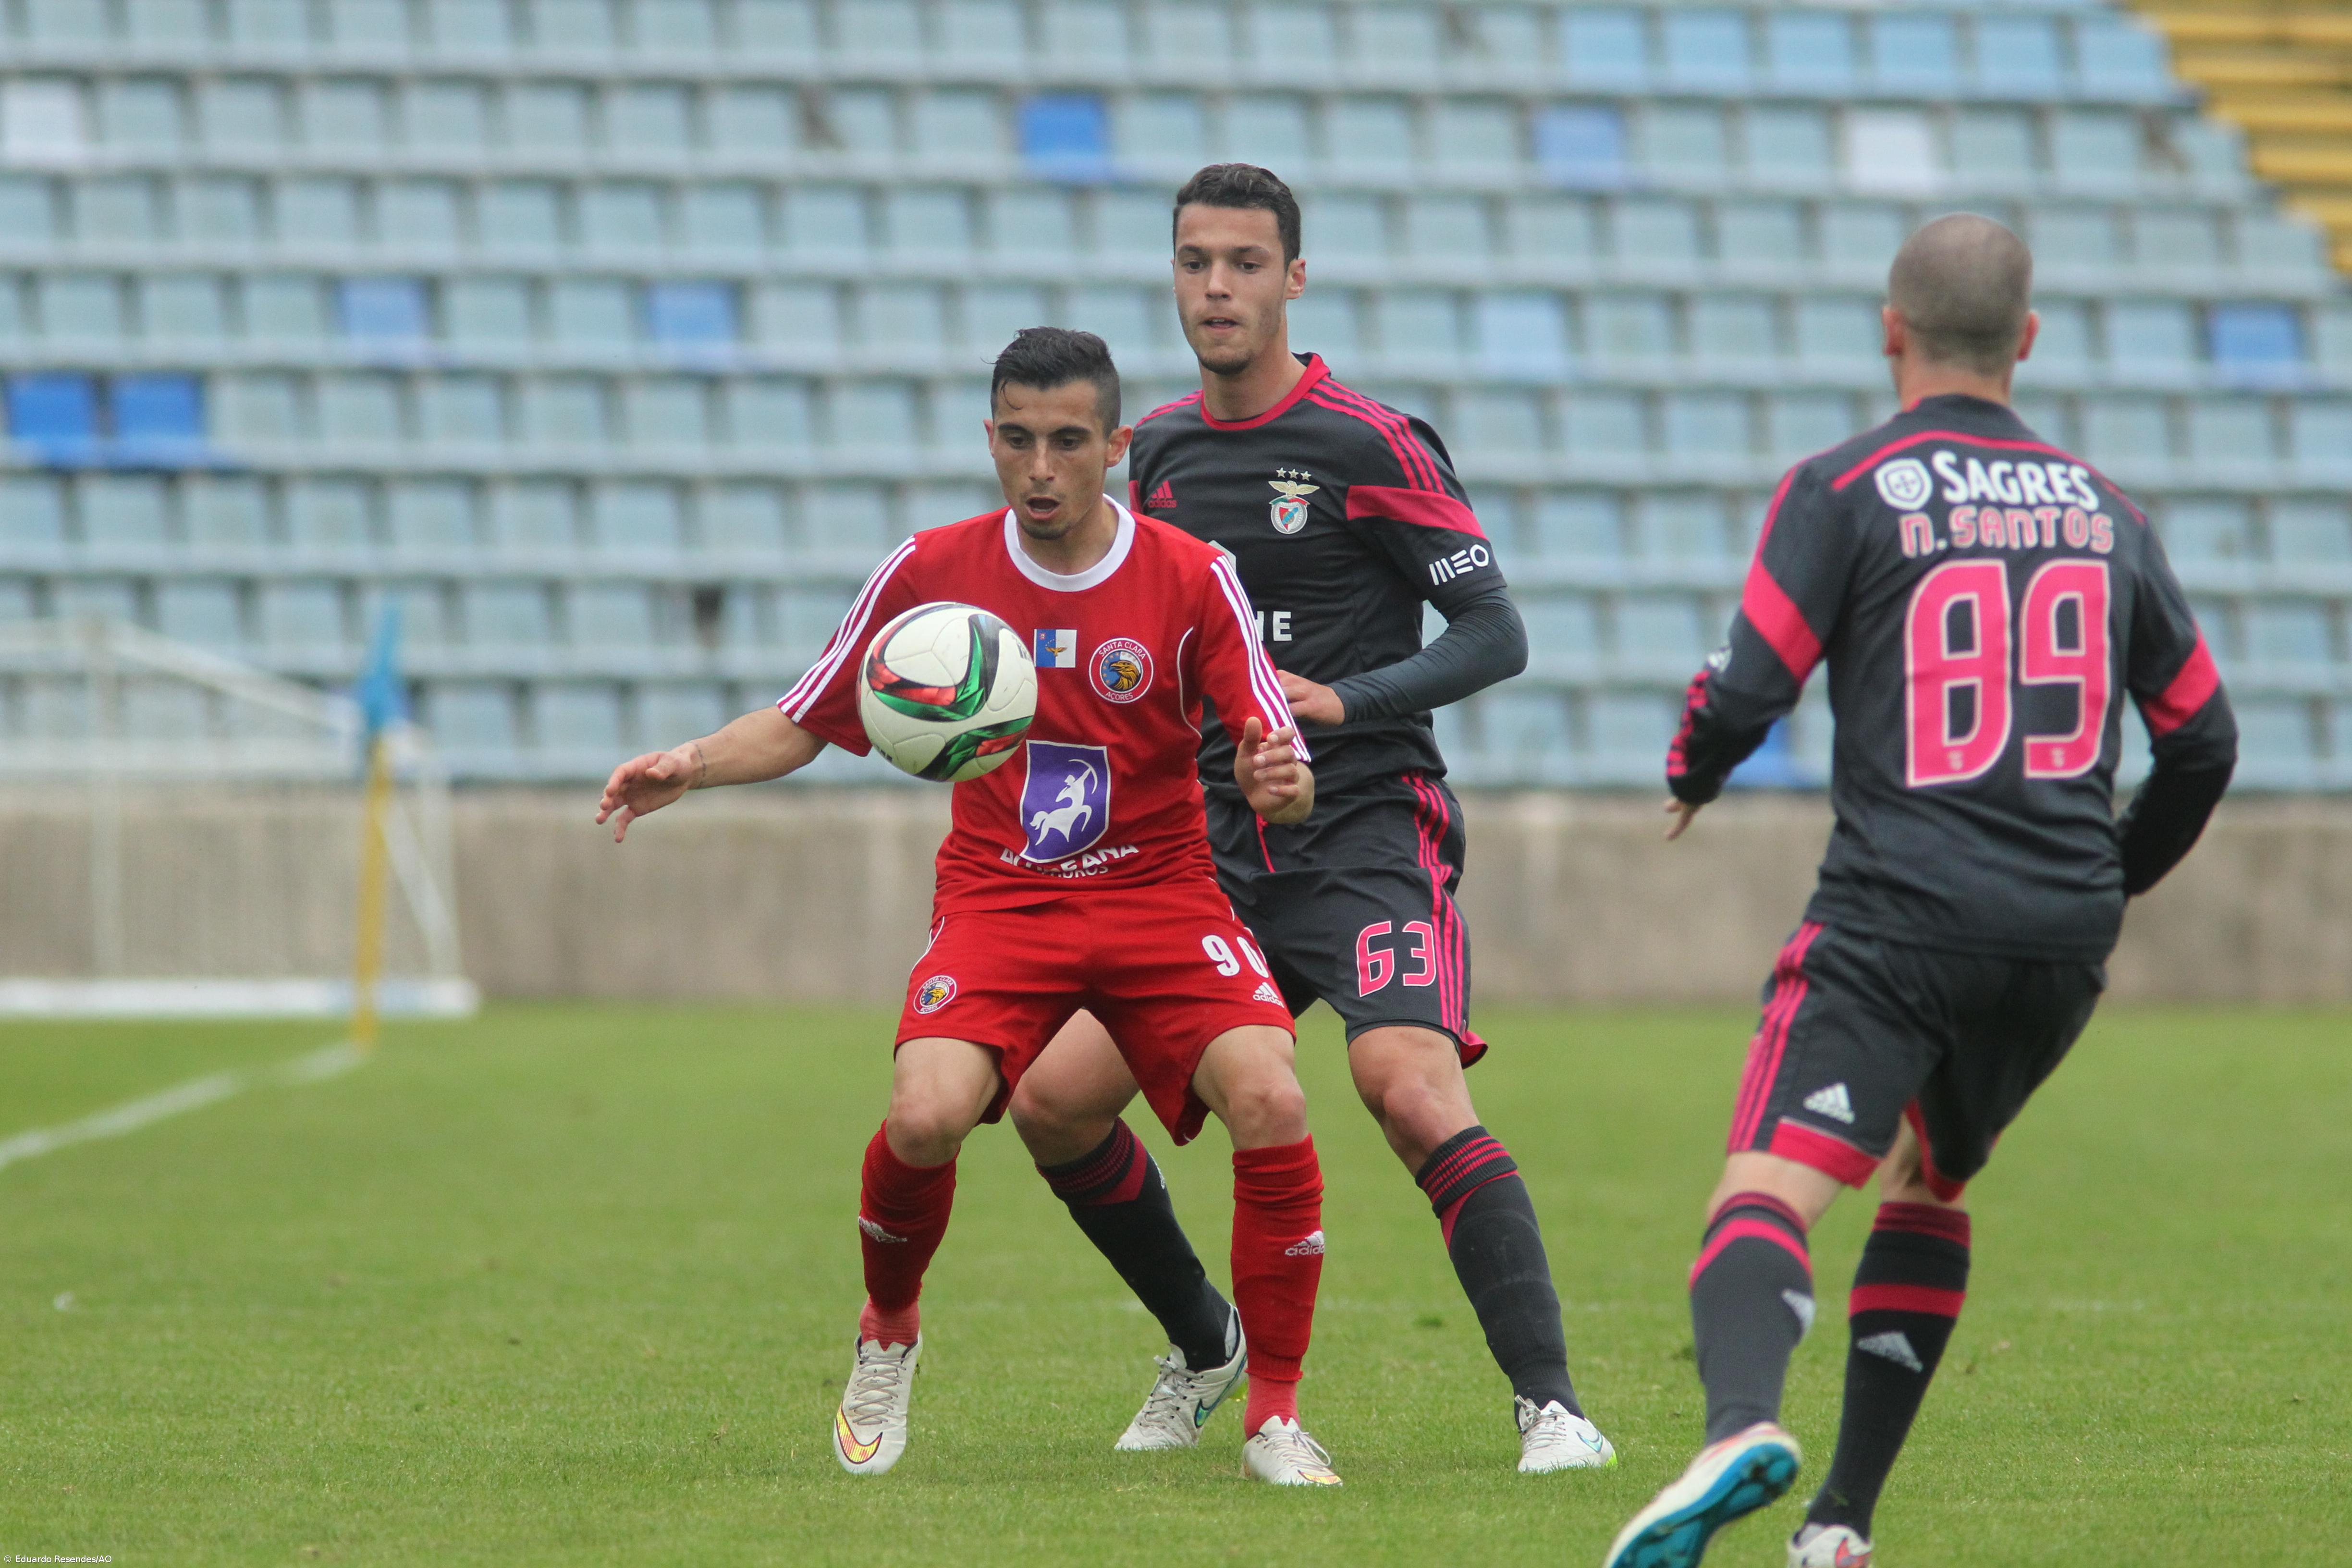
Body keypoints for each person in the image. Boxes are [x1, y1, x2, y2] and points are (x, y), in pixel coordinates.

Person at [596, 328, 1349, 1487]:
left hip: (1162, 892)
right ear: (989, 439)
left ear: (1116, 447)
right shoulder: (930, 572)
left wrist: (1279, 783)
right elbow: (810, 716)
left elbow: (1276, 757)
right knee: (924, 1119)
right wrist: (690, 764)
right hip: (1004, 897)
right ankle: (888, 1335)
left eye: (1065, 442)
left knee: (1271, 1092)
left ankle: (1276, 1416)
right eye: (1015, 439)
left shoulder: (1194, 575)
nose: (1039, 467)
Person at [1603, 214, 2237, 1568]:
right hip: (2058, 938)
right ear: (2029, 338)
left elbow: (1757, 685)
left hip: (1898, 918)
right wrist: (2102, 889)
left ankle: (1736, 1429)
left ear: (1890, 330)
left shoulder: (1847, 487)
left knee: (1763, 1196)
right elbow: (2205, 740)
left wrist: (1695, 769)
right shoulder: (2109, 510)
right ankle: (1839, 1526)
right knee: (1932, 1184)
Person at [1005, 164, 1615, 1474]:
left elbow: (1496, 631)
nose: (1215, 287)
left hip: (1363, 834)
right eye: (1192, 262)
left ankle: (1550, 1406)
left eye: (1241, 262)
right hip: (1202, 858)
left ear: (1293, 277)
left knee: (1403, 1085)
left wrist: (1340, 702)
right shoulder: (1150, 454)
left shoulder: (1367, 444)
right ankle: (1205, 1345)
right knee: (1053, 1101)